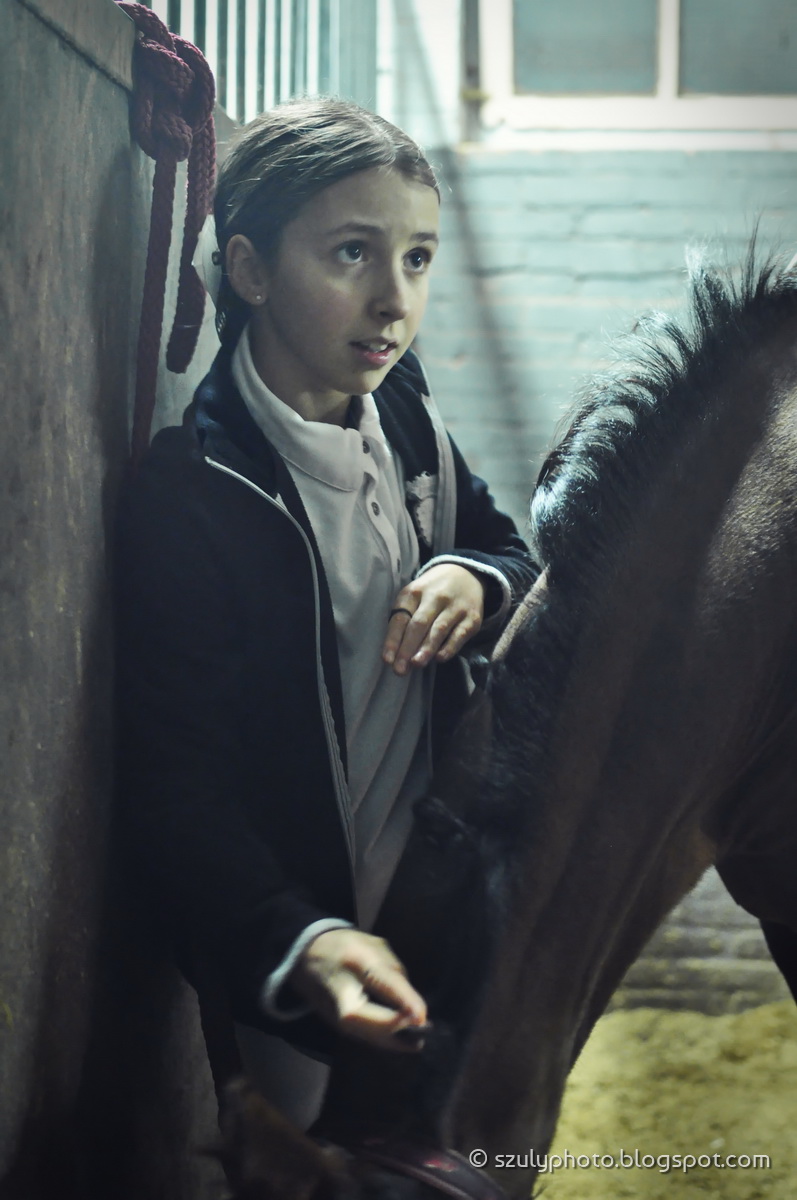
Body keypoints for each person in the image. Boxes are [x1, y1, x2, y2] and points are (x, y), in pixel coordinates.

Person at [115, 97, 539, 1129]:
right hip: (312, 953)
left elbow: (516, 554)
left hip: (449, 910)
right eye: (353, 253)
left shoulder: (402, 410)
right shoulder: (195, 496)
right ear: (251, 270)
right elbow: (179, 786)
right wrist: (299, 940)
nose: (394, 302)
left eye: (418, 259)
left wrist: (474, 578)